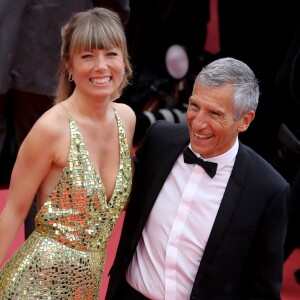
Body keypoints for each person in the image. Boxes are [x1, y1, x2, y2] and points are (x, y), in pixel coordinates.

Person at [106, 57, 290, 299]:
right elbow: (114, 196)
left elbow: (262, 291)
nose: (198, 123)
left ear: (245, 120)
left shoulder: (267, 190)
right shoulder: (160, 141)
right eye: (194, 106)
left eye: (215, 113)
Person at [0, 7, 135, 299]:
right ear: (69, 65)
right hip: (33, 288)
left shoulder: (127, 119)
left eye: (111, 54)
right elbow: (12, 214)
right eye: (87, 56)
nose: (101, 66)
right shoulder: (51, 129)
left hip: (86, 289)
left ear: (124, 61)